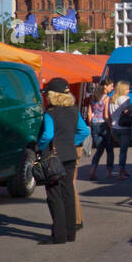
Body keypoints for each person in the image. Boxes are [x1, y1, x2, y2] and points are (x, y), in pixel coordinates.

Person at [39, 77, 87, 244]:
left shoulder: (50, 113)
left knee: (54, 195)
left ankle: (58, 235)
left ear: (52, 95)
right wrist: (71, 142)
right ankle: (70, 233)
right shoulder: (74, 110)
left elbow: (48, 135)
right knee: (68, 193)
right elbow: (84, 131)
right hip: (70, 155)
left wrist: (40, 147)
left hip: (54, 157)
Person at [89, 78, 116, 180]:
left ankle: (92, 170)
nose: (112, 88)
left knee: (99, 150)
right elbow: (106, 115)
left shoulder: (94, 97)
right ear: (105, 86)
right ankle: (109, 172)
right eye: (111, 86)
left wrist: (92, 122)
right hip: (104, 125)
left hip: (95, 124)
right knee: (109, 149)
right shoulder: (106, 98)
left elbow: (89, 112)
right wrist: (110, 126)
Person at [109, 81, 132, 178]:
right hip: (124, 127)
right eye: (127, 89)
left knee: (117, 150)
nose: (129, 90)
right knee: (123, 151)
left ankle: (122, 170)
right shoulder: (124, 99)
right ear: (123, 90)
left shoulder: (112, 99)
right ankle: (121, 171)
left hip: (114, 127)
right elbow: (127, 111)